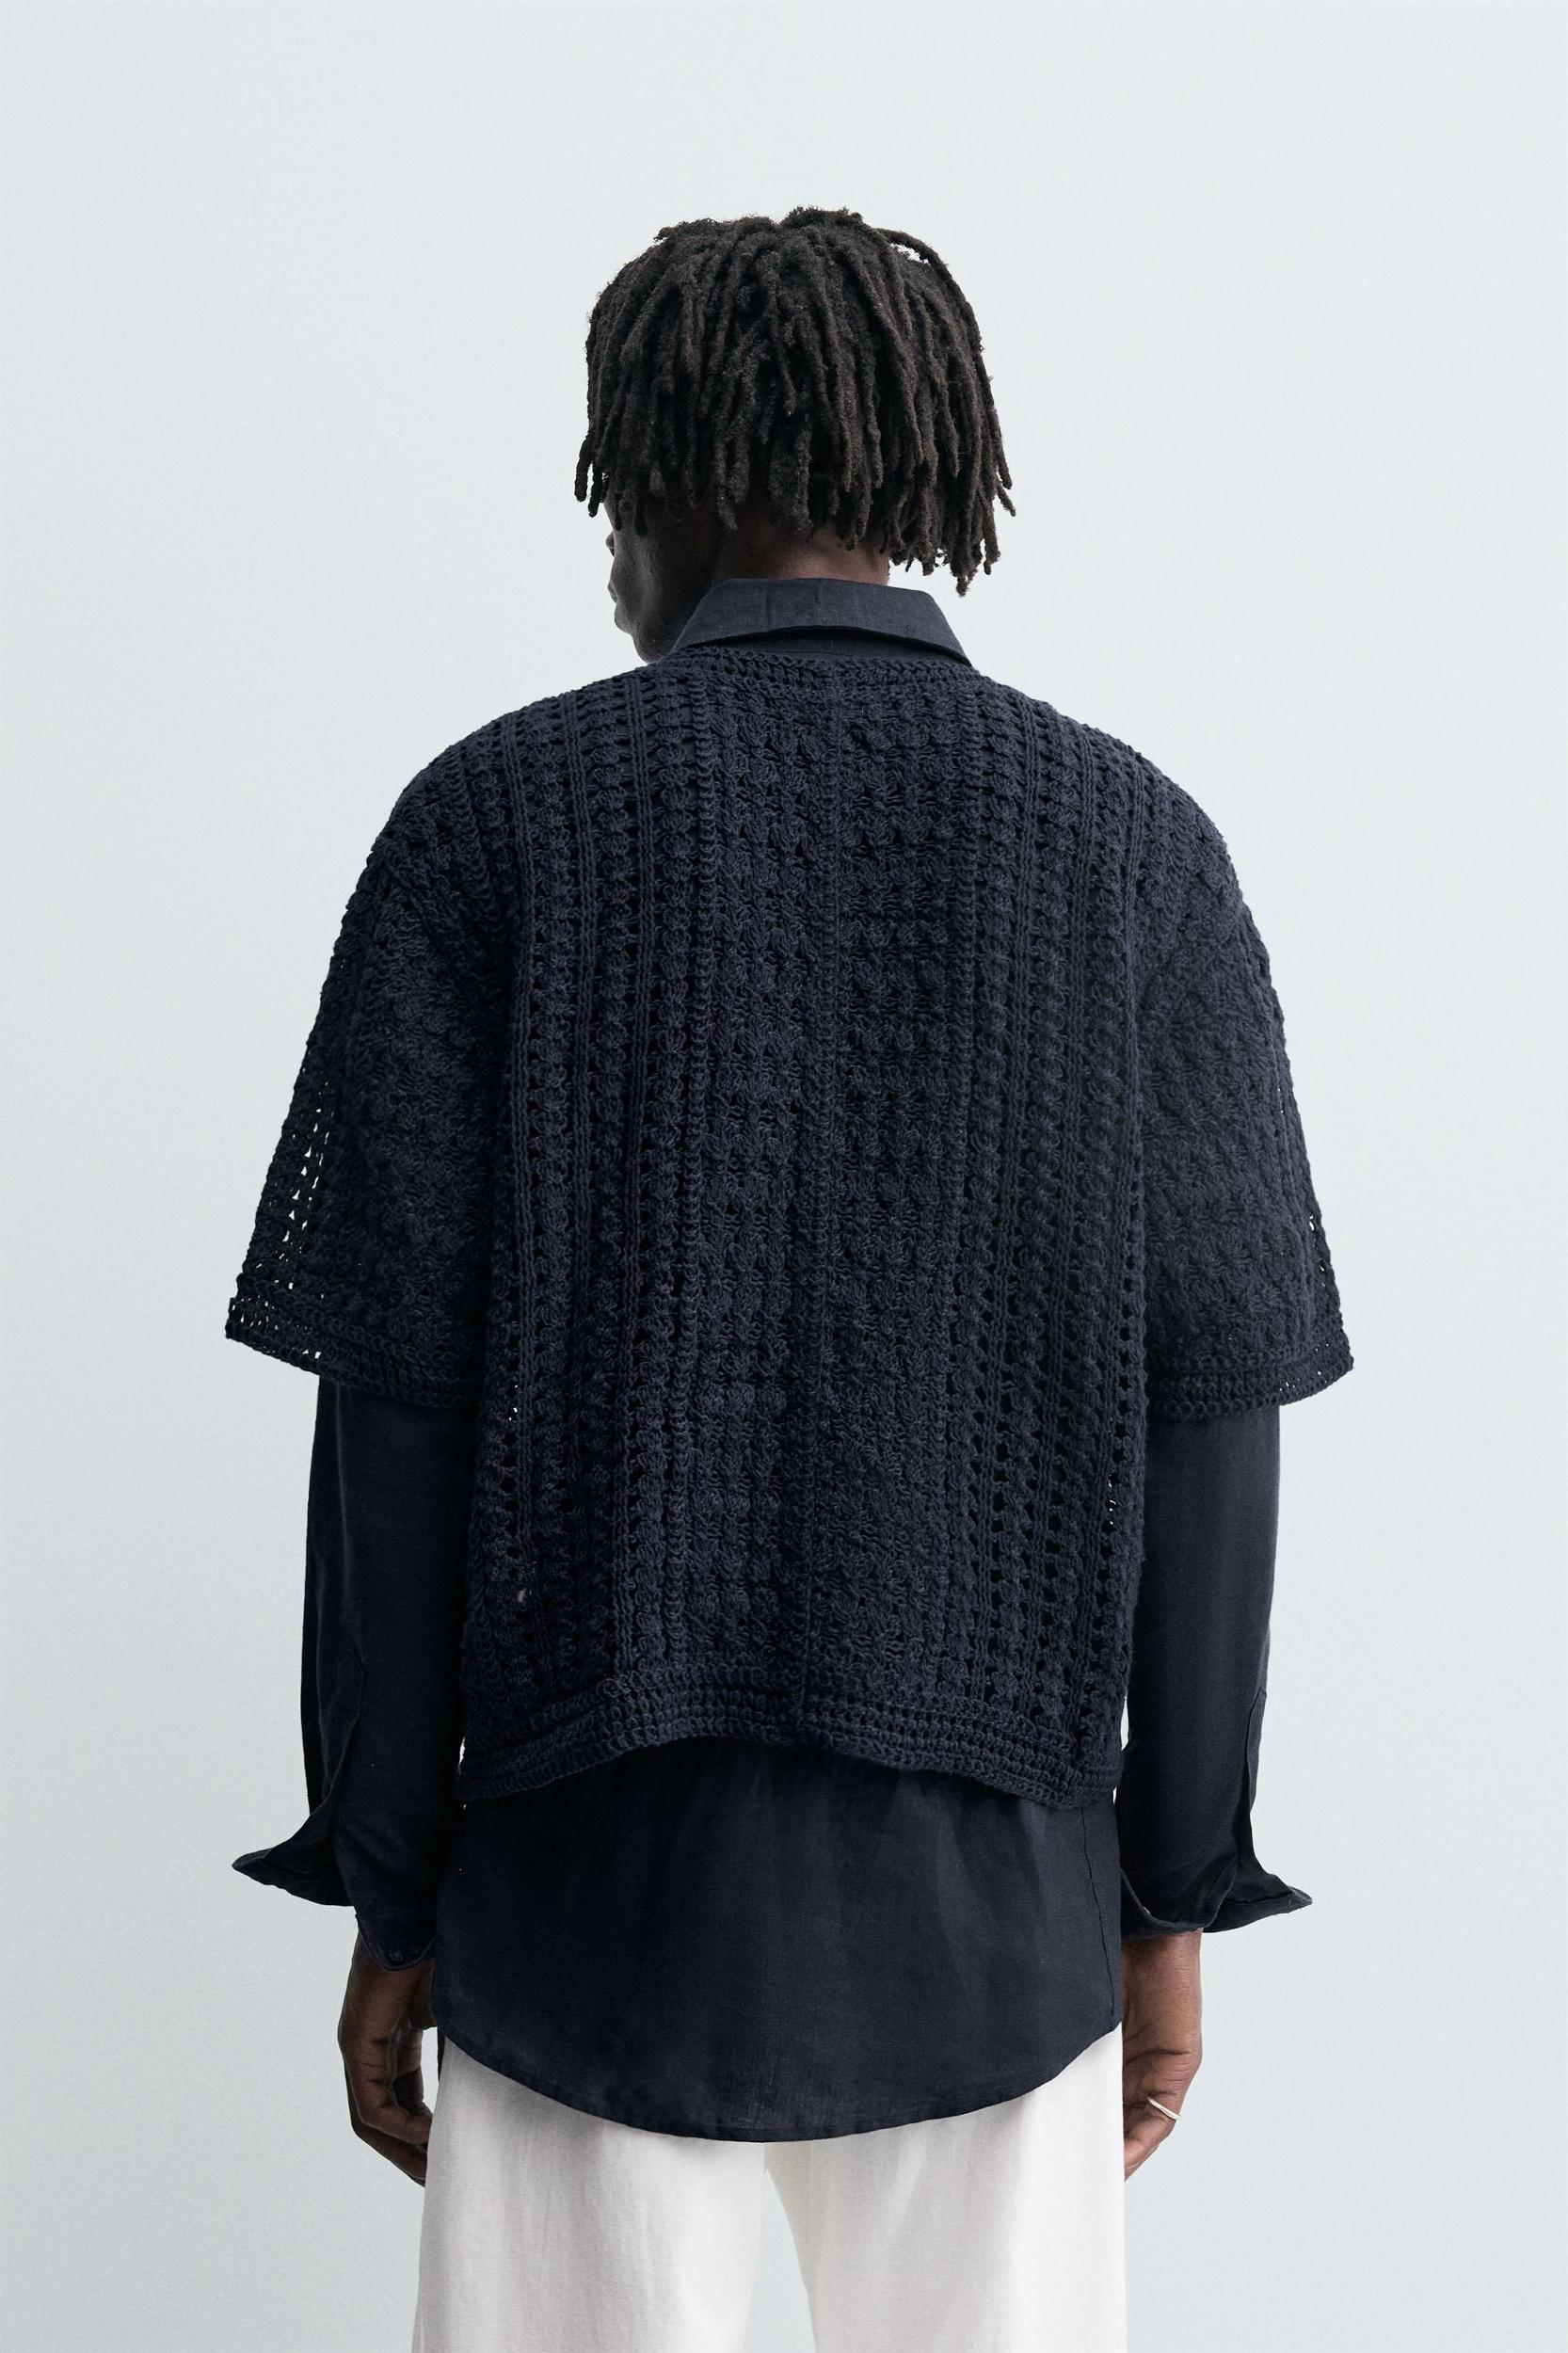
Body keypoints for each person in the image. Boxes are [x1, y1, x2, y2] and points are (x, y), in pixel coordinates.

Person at [225, 206, 1353, 2353]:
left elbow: (391, 1409)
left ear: (667, 472)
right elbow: (1213, 1419)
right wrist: (1167, 1890)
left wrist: (391, 1882)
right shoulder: (1135, 847)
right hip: (997, 1908)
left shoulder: (492, 822)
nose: (606, 560)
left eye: (609, 494)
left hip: (580, 1899)